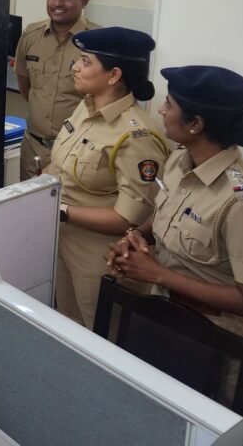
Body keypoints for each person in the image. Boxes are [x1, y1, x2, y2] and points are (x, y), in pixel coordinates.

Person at [107, 66, 243, 347]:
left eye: (169, 104)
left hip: (211, 339)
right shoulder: (181, 160)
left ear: (195, 124)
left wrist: (158, 274)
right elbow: (168, 211)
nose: (161, 110)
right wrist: (137, 235)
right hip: (163, 314)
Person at [47, 27, 170, 329]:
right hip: (63, 239)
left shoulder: (137, 136)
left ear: (114, 75)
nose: (75, 67)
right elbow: (60, 165)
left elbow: (127, 218)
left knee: (100, 334)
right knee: (67, 325)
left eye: (85, 61)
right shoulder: (85, 107)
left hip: (102, 257)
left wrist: (61, 210)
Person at [15, 0, 100, 180]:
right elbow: (26, 87)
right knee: (29, 201)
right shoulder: (31, 36)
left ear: (85, 0)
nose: (57, 4)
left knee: (71, 202)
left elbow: (106, 100)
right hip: (34, 149)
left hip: (79, 150)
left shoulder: (99, 42)